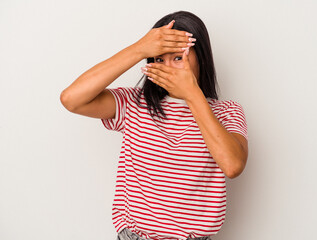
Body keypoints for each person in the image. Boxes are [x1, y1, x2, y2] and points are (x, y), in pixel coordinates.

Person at [60, 10, 248, 240]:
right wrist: (140, 48)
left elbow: (233, 165)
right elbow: (72, 99)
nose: (167, 67)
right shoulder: (134, 104)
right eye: (159, 59)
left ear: (201, 58)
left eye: (178, 58)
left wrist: (192, 95)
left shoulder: (227, 112)